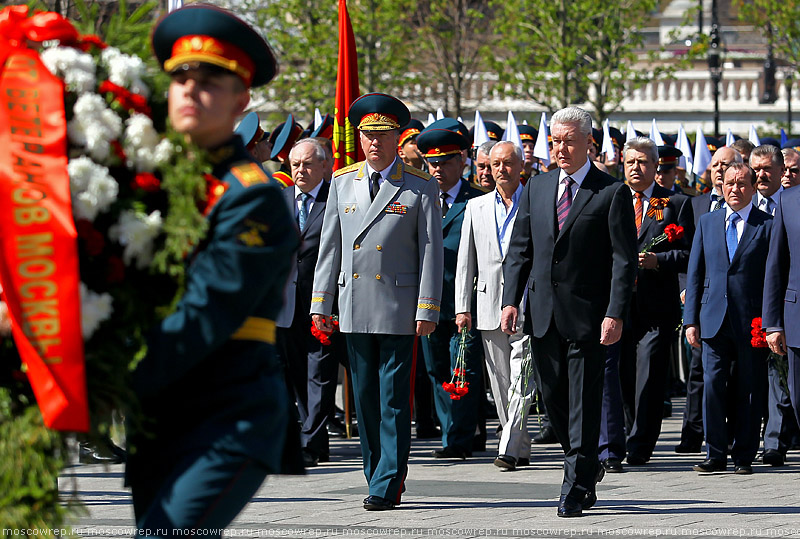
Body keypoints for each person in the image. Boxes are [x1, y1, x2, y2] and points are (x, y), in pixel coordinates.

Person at [127, 5, 300, 533]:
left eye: (211, 80)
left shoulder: (254, 198)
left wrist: (101, 375)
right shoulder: (140, 186)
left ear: (241, 100)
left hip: (228, 412)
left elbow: (206, 310)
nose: (191, 90)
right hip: (157, 415)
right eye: (181, 77)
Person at [501, 106, 638, 517]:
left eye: (569, 141)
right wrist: (511, 299)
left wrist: (615, 312)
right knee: (553, 397)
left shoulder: (610, 191)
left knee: (583, 400)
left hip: (589, 317)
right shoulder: (538, 186)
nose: (560, 148)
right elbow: (520, 250)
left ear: (588, 144)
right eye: (555, 141)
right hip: (543, 315)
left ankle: (575, 485)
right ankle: (584, 462)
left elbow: (623, 260)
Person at [310, 93, 443, 511]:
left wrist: (427, 307)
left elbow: (430, 250)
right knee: (365, 397)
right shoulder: (341, 181)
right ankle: (375, 471)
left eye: (383, 135)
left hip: (398, 306)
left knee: (391, 398)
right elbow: (329, 247)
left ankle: (388, 479)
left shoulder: (420, 186)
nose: (374, 143)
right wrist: (321, 302)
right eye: (368, 135)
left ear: (397, 137)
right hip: (352, 306)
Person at [684, 163, 772, 474]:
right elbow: (695, 273)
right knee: (712, 384)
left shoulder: (767, 225)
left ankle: (744, 454)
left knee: (749, 388)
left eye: (741, 184)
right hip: (712, 317)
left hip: (751, 321)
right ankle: (715, 452)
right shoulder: (708, 222)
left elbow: (772, 276)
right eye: (729, 183)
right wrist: (690, 320)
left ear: (753, 187)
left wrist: (772, 321)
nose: (734, 189)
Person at [616, 137, 693, 466]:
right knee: (621, 374)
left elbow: (690, 254)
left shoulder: (674, 203)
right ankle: (626, 432)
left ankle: (641, 442)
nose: (637, 167)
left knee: (649, 375)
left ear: (655, 166)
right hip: (618, 304)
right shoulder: (613, 199)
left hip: (655, 305)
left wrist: (658, 260)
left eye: (644, 162)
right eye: (631, 161)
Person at [455, 141, 532, 471]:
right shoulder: (476, 207)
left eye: (508, 163)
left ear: (520, 166)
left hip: (527, 302)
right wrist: (462, 306)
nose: (501, 170)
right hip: (487, 303)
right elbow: (465, 261)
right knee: (501, 382)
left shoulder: (534, 201)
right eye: (494, 164)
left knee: (522, 376)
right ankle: (519, 441)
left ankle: (508, 448)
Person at [415, 127, 485, 461]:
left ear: (462, 161)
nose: (437, 170)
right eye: (432, 164)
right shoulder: (419, 198)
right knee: (436, 370)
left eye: (445, 162)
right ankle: (451, 430)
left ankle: (459, 437)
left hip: (463, 302)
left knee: (464, 369)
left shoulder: (476, 200)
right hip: (428, 302)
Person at [674, 146, 742, 455]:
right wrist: (687, 290)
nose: (717, 170)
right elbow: (690, 256)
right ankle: (694, 433)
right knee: (700, 374)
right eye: (714, 165)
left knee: (735, 377)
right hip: (703, 303)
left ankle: (734, 437)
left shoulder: (752, 213)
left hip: (739, 308)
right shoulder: (696, 205)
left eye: (725, 164)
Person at [276, 138, 339, 468]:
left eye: (309, 164)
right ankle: (315, 439)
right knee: (296, 374)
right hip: (285, 305)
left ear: (325, 166)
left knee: (320, 372)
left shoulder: (337, 201)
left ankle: (311, 442)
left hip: (322, 303)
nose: (301, 169)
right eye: (296, 164)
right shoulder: (280, 199)